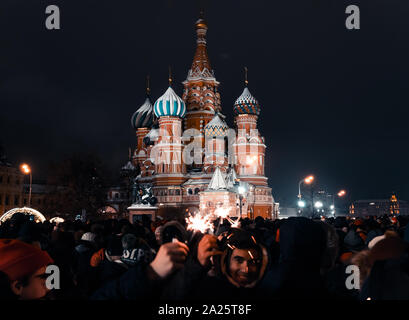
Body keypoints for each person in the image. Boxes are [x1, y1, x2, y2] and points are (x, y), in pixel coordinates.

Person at [161, 228, 269, 301]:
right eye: (239, 261)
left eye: (252, 262)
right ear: (225, 261)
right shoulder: (207, 291)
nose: (246, 269)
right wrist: (196, 266)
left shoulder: (268, 290)